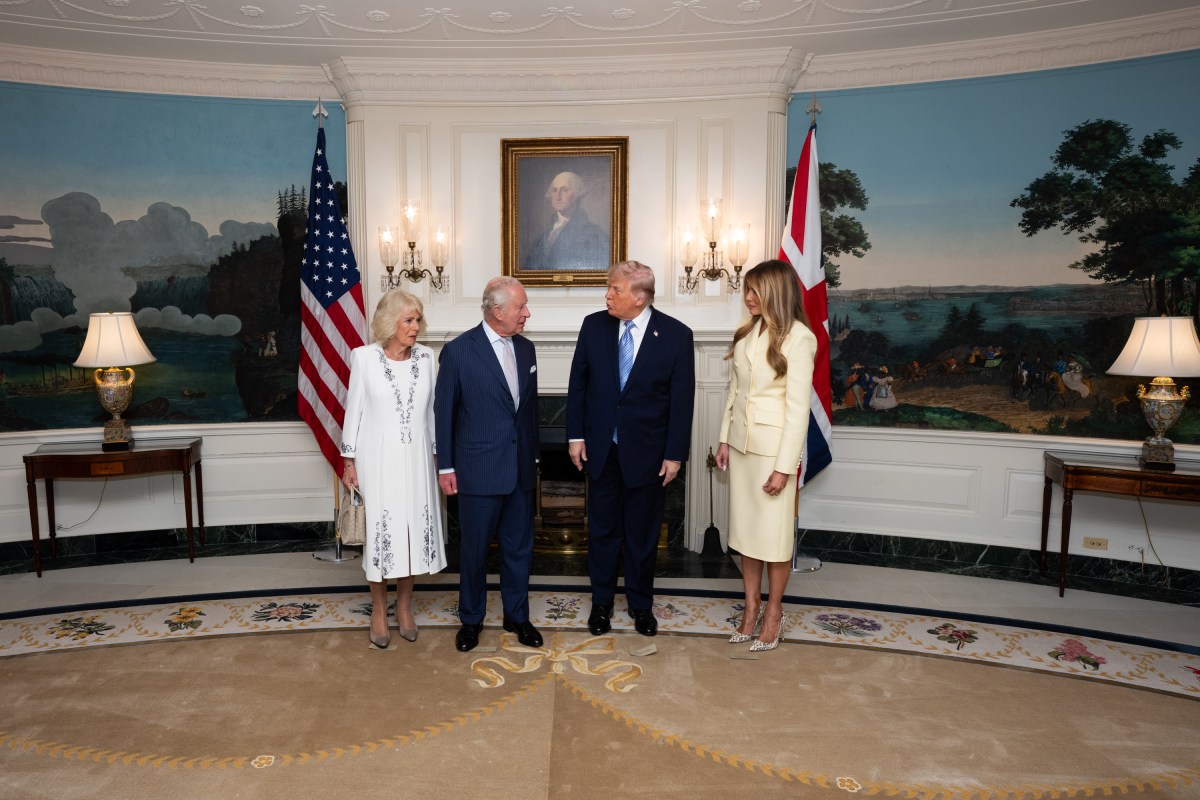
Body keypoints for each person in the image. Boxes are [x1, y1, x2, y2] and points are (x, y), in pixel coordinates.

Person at [567, 260, 695, 637]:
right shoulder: (594, 326)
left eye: (615, 290)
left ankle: (641, 605)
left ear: (640, 298)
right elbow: (578, 384)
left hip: (649, 455)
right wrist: (576, 436)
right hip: (601, 451)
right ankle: (601, 604)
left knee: (642, 535)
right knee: (603, 533)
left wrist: (675, 454)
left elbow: (681, 400)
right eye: (608, 288)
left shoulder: (675, 335)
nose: (607, 294)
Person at [434, 277, 543, 653]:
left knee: (519, 550)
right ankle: (471, 620)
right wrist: (446, 467)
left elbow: (526, 416)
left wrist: (534, 459)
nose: (527, 313)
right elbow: (443, 413)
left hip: (520, 472)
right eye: (521, 307)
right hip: (477, 471)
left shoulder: (527, 350)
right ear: (497, 311)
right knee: (475, 552)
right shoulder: (459, 351)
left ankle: (517, 616)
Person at [715, 260, 817, 652]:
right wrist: (725, 439)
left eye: (756, 290)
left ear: (776, 291)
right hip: (741, 450)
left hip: (774, 453)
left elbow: (797, 411)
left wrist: (784, 467)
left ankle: (774, 611)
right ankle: (751, 606)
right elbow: (734, 394)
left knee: (773, 539)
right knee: (746, 535)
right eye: (746, 290)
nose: (749, 298)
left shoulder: (799, 339)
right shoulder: (746, 333)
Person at [341, 289, 446, 650]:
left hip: (417, 458)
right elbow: (353, 409)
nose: (416, 327)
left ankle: (404, 607)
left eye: (418, 320)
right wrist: (349, 460)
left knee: (411, 532)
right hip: (376, 459)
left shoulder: (429, 359)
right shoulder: (364, 358)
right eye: (409, 320)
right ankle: (378, 607)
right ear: (390, 322)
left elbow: (433, 414)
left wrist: (437, 456)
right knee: (381, 533)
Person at [522, 171, 609, 271]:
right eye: (554, 190)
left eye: (564, 190)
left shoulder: (596, 234)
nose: (558, 196)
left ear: (577, 194)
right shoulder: (543, 236)